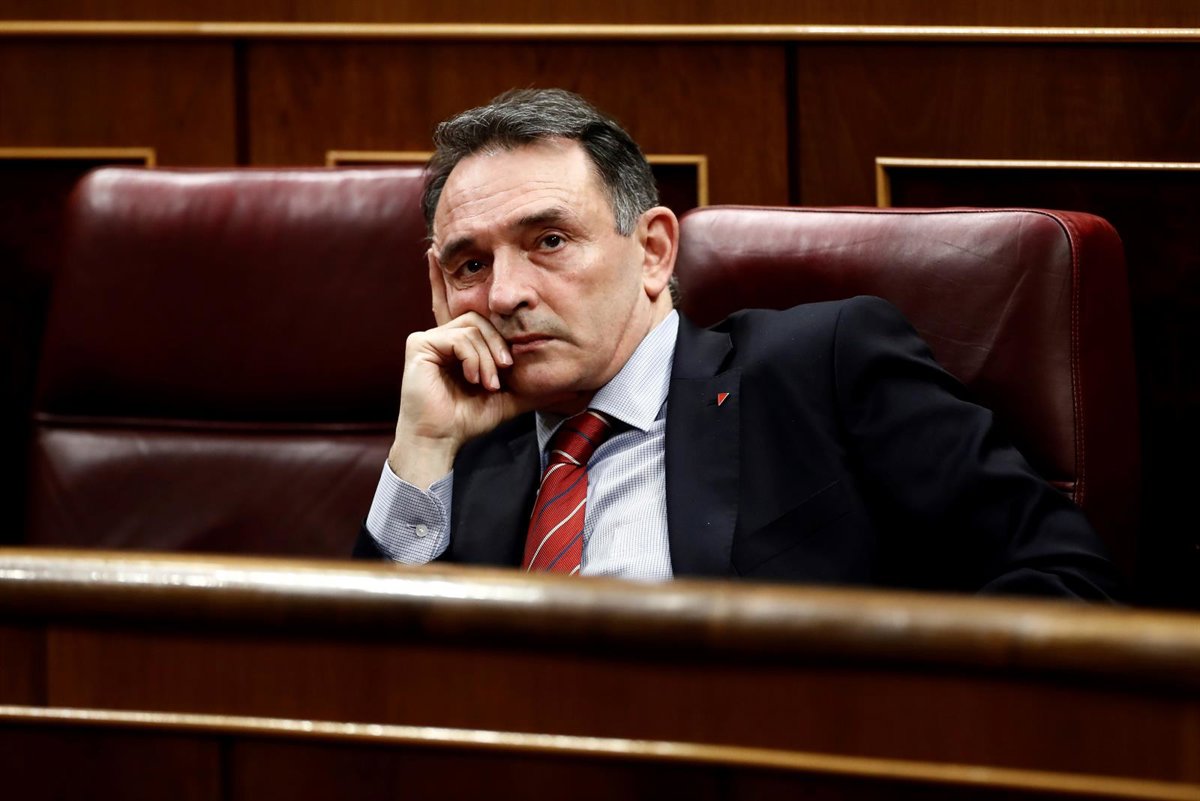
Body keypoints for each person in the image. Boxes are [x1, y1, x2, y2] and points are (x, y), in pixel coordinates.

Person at [354, 88, 1118, 599]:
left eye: (549, 240)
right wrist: (421, 450)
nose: (504, 294)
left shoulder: (820, 365)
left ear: (653, 251)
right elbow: (369, 683)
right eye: (471, 264)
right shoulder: (466, 447)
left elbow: (1063, 577)